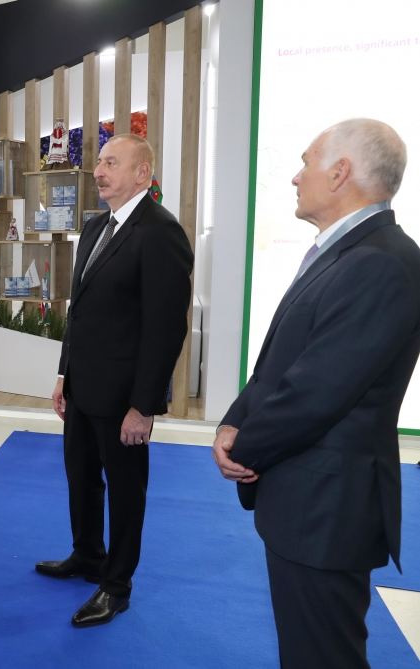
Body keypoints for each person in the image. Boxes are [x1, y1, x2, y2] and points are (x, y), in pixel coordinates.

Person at [213, 119, 417, 669]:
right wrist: (233, 420)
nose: (296, 177)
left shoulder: (380, 262)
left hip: (326, 509)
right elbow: (280, 362)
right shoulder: (349, 252)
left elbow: (316, 392)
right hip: (310, 502)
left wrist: (242, 447)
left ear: (340, 172)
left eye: (306, 162)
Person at [38, 134, 194, 627]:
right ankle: (87, 555)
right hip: (82, 387)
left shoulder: (161, 232)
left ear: (143, 173)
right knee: (81, 478)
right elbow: (78, 311)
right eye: (99, 162)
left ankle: (116, 585)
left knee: (126, 493)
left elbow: (165, 330)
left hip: (124, 398)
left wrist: (143, 406)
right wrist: (63, 374)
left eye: (111, 163)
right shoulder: (94, 227)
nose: (99, 171)